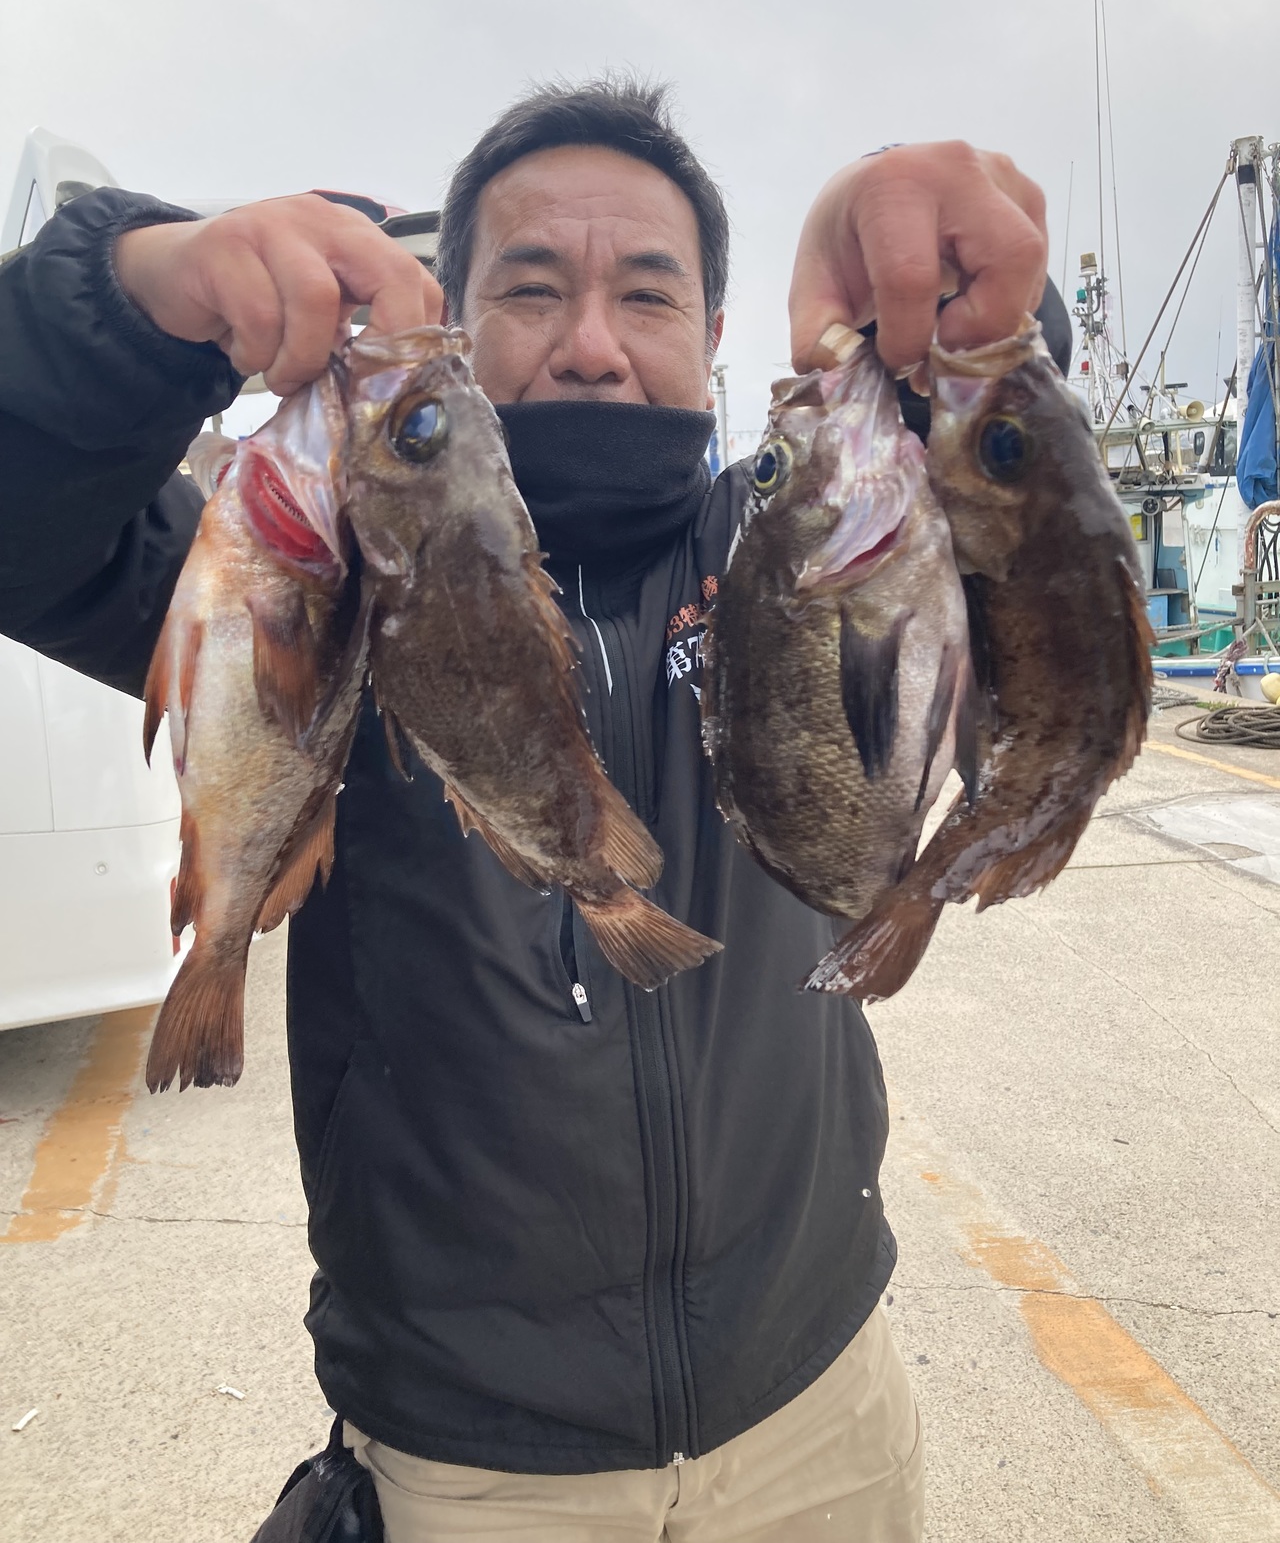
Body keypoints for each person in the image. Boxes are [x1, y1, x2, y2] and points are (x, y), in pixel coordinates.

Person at [0, 79, 1060, 1541]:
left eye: (648, 294)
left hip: (819, 1402)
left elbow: (1008, 473)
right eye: (534, 288)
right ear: (456, 321)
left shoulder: (798, 539)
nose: (592, 344)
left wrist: (924, 278)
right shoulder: (333, 577)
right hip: (474, 1463)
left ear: (717, 334)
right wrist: (136, 298)